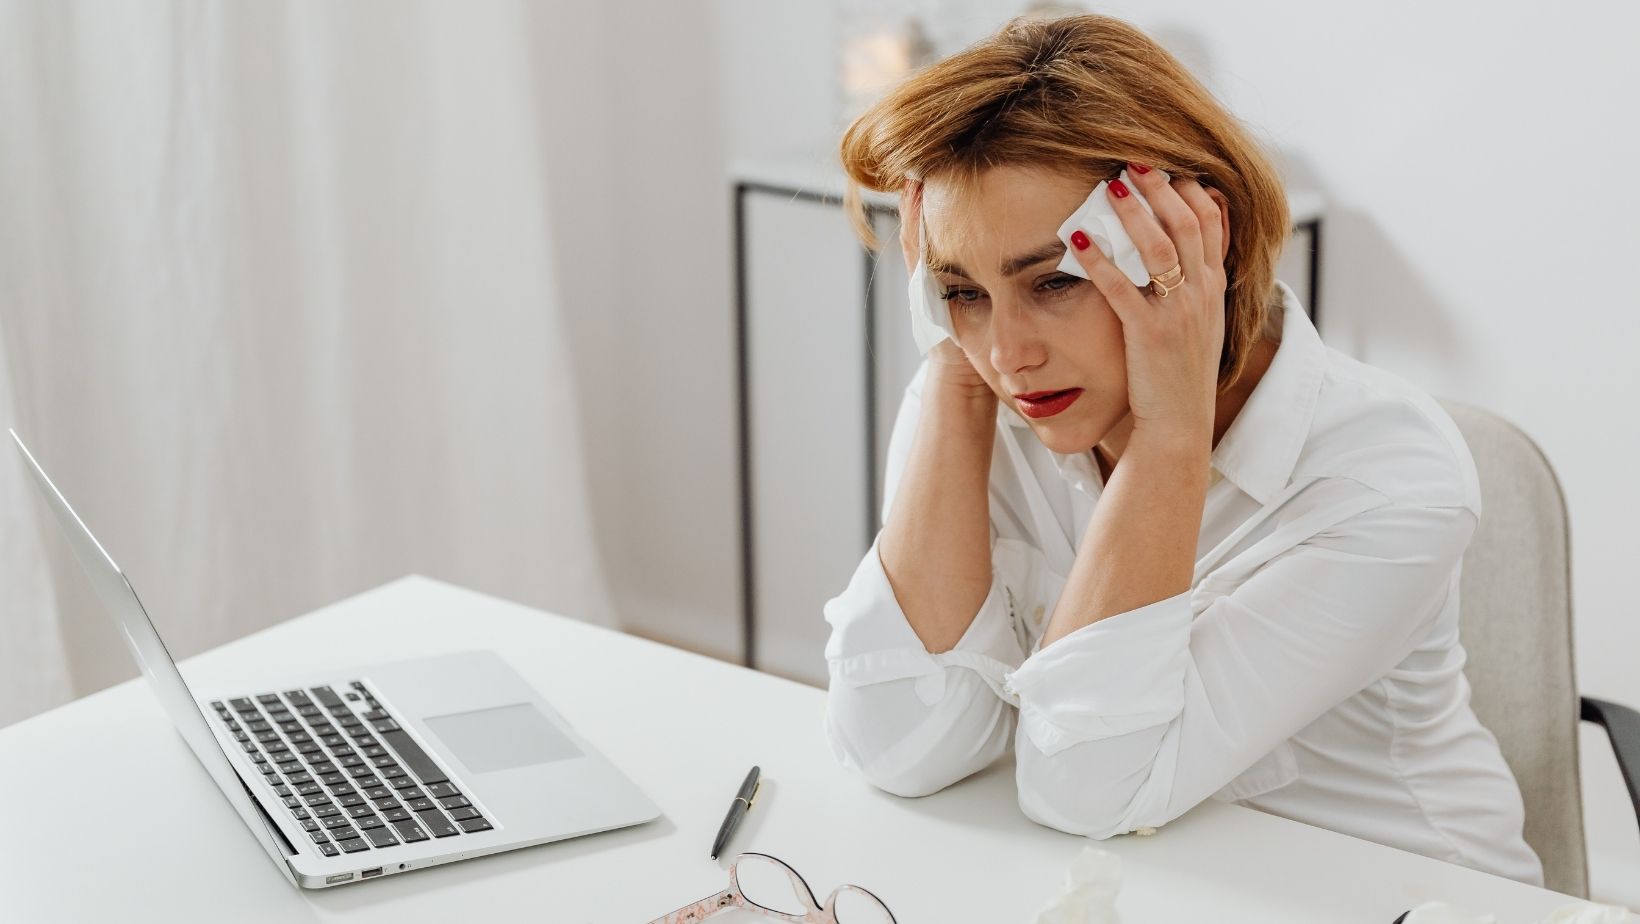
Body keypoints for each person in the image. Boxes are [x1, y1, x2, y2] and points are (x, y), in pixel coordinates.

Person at [821, 13, 1542, 886]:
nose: (1007, 353)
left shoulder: (1387, 480)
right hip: (1156, 889)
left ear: (1193, 238)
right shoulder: (978, 396)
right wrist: (949, 370)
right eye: (962, 291)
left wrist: (1170, 435)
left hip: (1402, 896)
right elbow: (898, 747)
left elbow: (1085, 790)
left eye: (1054, 280)